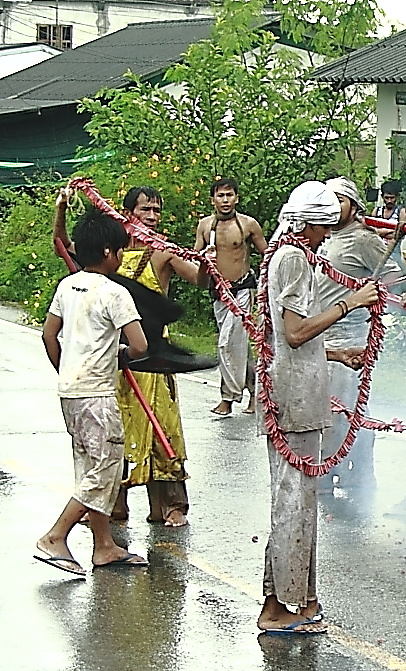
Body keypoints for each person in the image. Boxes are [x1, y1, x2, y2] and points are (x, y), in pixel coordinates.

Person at [257, 181, 378, 634]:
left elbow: (288, 338)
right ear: (307, 223)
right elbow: (293, 332)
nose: (324, 237)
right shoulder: (291, 258)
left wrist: (337, 354)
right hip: (293, 394)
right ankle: (282, 607)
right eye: (321, 228)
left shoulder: (286, 253)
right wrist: (352, 303)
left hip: (296, 383)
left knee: (299, 500)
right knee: (293, 502)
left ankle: (296, 599)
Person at [57, 185, 204, 528]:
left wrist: (211, 259)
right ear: (126, 215)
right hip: (116, 359)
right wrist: (62, 209)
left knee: (163, 429)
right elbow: (65, 247)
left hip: (152, 359)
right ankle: (110, 505)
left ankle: (170, 506)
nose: (151, 217)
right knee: (115, 432)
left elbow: (198, 278)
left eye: (156, 210)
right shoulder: (107, 252)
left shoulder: (164, 253)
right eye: (145, 210)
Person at [34, 209, 152, 576]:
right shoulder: (115, 293)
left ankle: (104, 546)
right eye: (119, 251)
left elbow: (48, 335)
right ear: (107, 251)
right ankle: (56, 536)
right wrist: (119, 358)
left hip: (70, 391)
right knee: (106, 470)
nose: (120, 258)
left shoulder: (66, 287)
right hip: (98, 395)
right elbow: (139, 345)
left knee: (88, 466)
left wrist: (66, 368)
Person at [314, 177, 399, 497]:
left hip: (351, 335)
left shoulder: (362, 239)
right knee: (326, 412)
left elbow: (391, 275)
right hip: (321, 335)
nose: (334, 208)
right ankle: (328, 471)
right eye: (328, 201)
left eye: (340, 201)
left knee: (347, 412)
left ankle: (356, 477)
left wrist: (367, 295)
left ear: (354, 206)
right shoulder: (323, 238)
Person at [193, 177, 267, 417]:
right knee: (238, 346)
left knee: (227, 344)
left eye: (229, 195)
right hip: (217, 292)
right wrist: (205, 256)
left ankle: (228, 398)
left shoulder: (248, 225)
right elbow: (195, 257)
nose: (225, 200)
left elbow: (267, 254)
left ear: (236, 198)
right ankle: (256, 393)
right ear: (212, 199)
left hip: (243, 290)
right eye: (220, 196)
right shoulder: (205, 226)